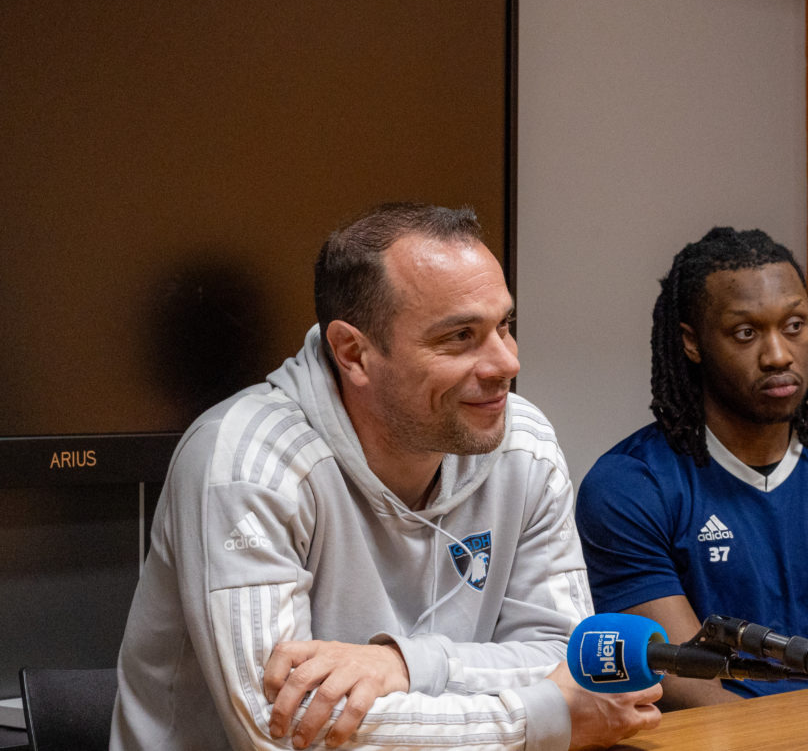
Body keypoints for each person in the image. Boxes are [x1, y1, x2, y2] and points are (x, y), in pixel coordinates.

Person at [112, 203, 661, 750]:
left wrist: (404, 664)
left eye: (504, 326)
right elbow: (282, 731)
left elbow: (568, 660)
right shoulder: (244, 462)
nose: (506, 363)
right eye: (460, 337)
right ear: (354, 353)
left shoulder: (524, 444)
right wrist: (538, 721)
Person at [575, 227, 808, 710]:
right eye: (746, 333)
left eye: (794, 326)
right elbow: (692, 695)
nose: (779, 355)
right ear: (692, 343)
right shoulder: (630, 488)